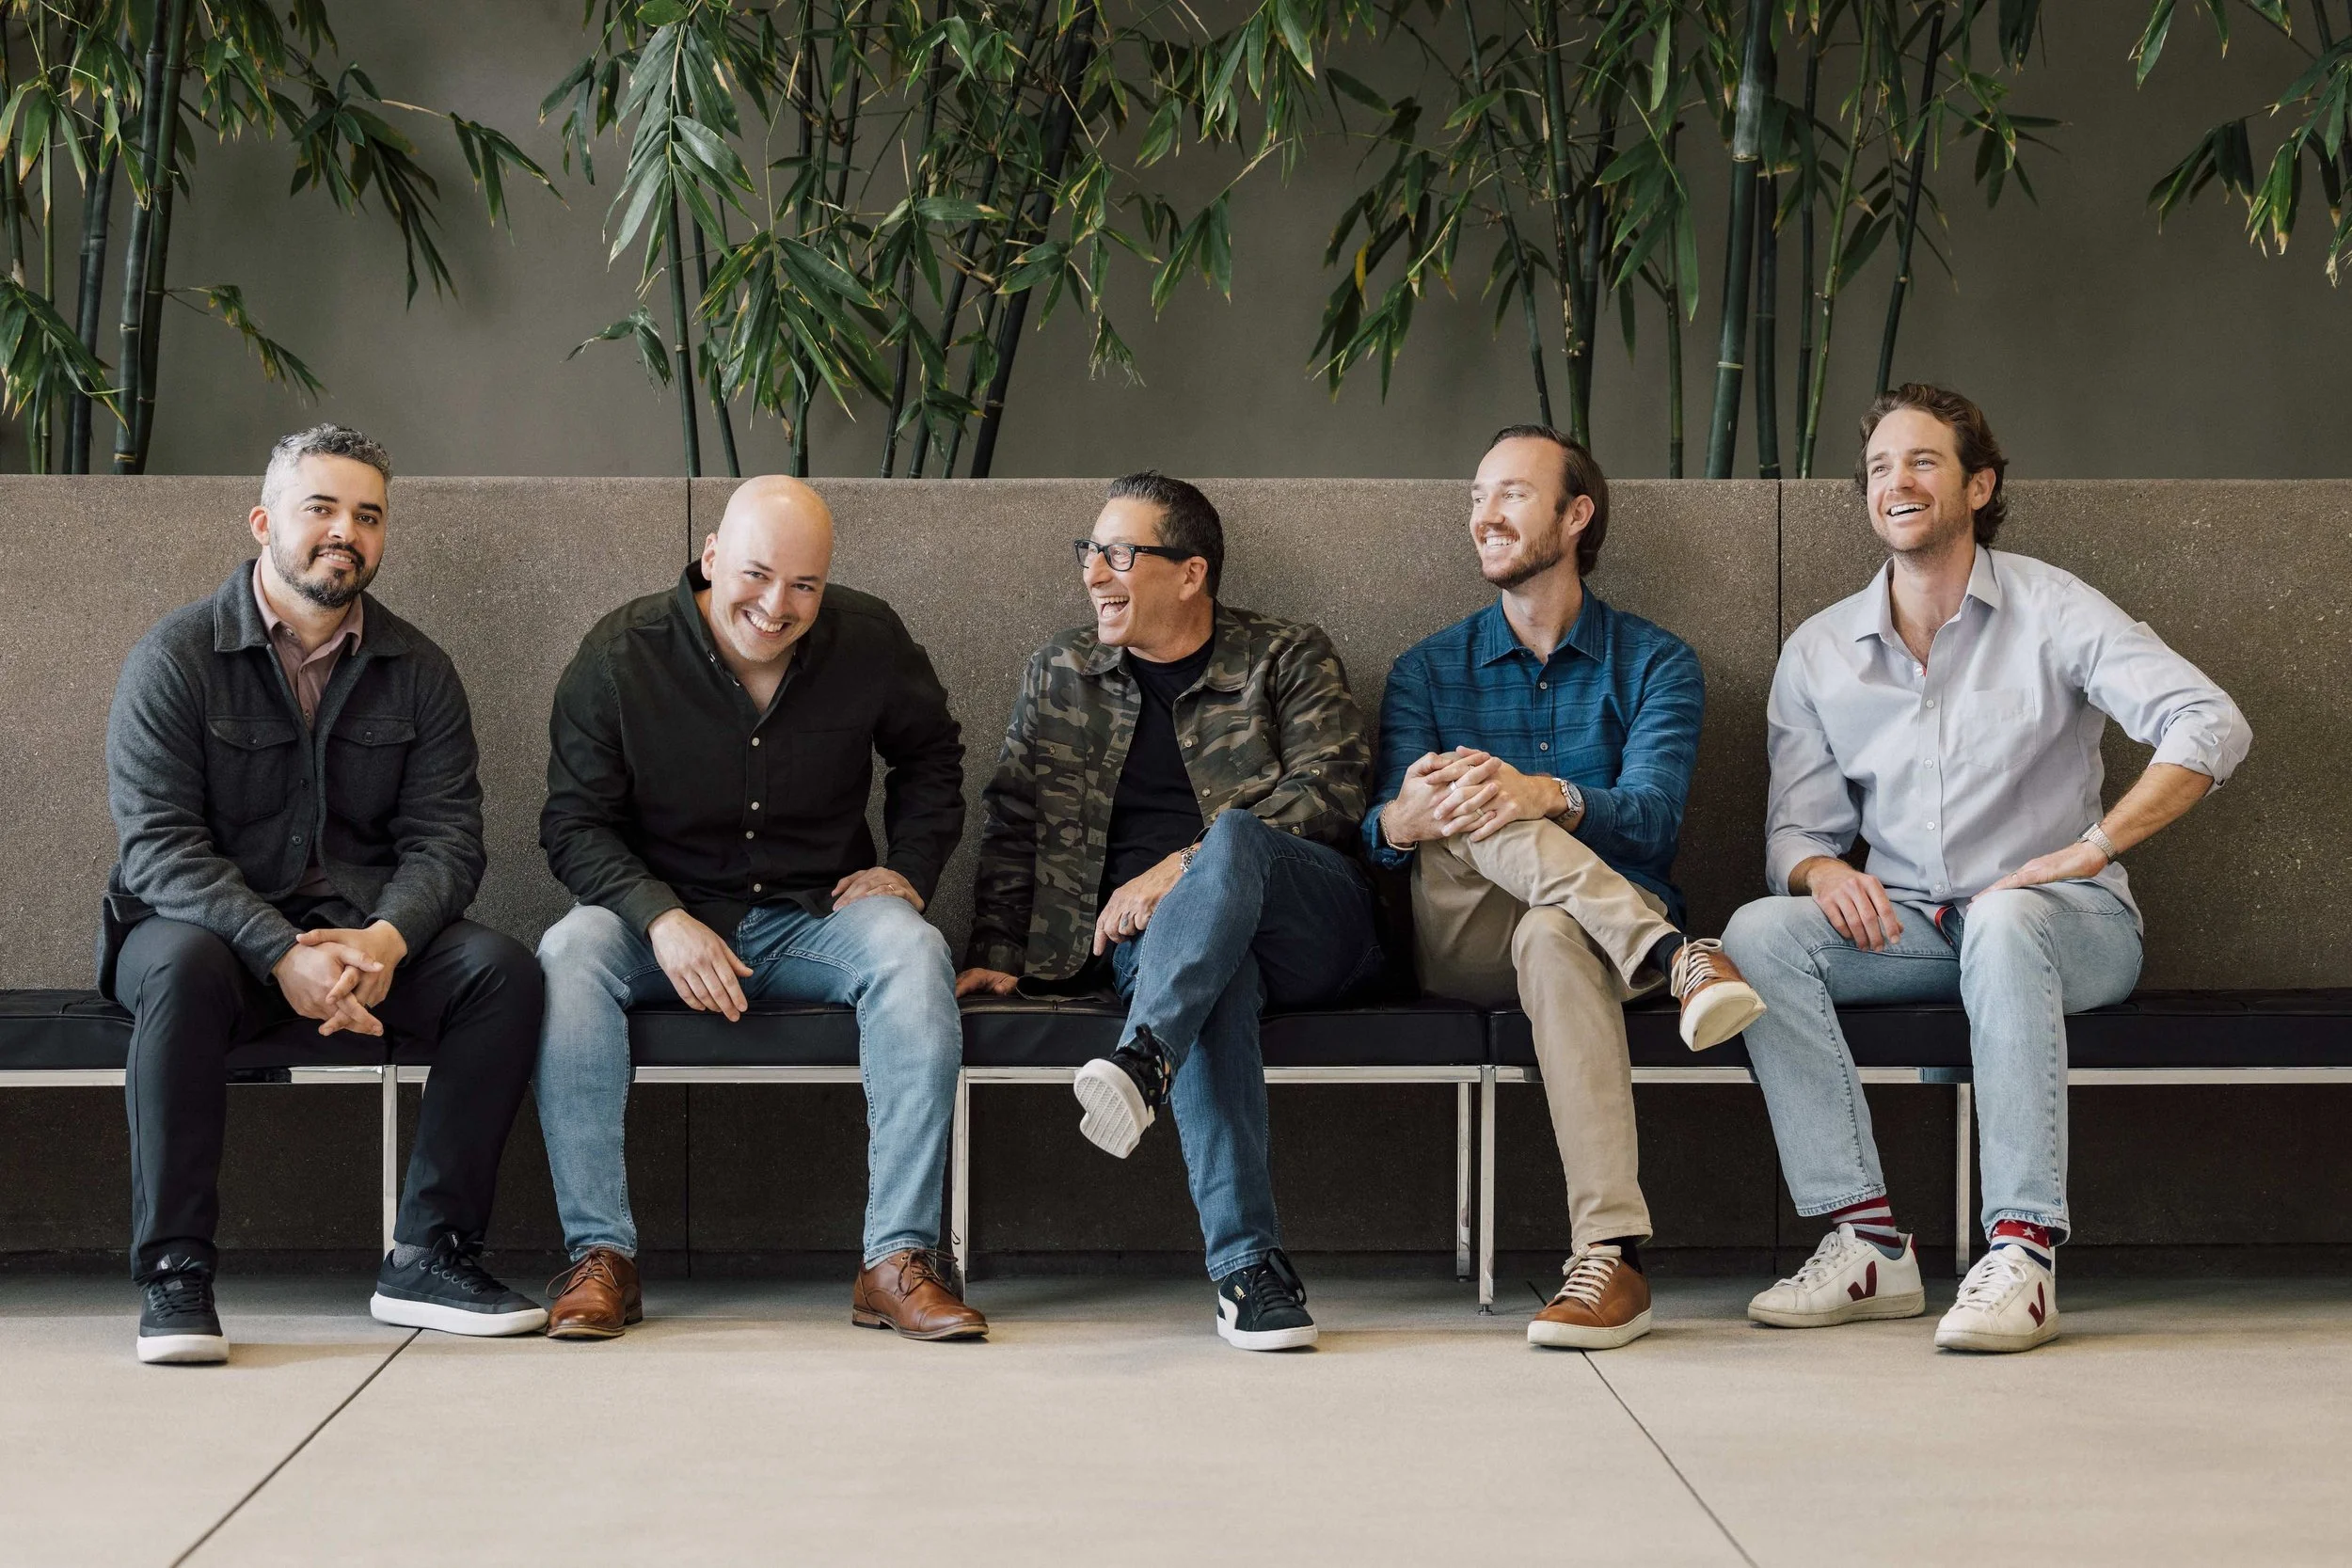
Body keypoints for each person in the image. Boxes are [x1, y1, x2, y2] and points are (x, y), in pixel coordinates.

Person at [1724, 385, 2252, 1353]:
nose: (1897, 481)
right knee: (1757, 935)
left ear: (1979, 485)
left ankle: (2023, 1251)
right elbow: (1795, 831)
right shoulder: (1820, 650)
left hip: (2068, 922)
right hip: (1917, 928)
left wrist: (2096, 846)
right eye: (1879, 467)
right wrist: (1818, 874)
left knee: (2007, 921)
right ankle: (1867, 1241)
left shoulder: (2053, 608)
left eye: (1922, 460)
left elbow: (2210, 721)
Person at [103, 424, 547, 1365]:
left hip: (361, 939)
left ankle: (429, 1253)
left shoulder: (418, 669)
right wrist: (278, 951)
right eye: (322, 508)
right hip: (202, 935)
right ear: (264, 522)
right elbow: (159, 848)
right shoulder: (176, 656)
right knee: (180, 967)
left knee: (500, 972)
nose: (347, 530)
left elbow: (446, 838)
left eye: (368, 515)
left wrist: (385, 940)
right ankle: (176, 1270)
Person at [534, 476, 980, 1341]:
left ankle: (896, 1260)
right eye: (757, 575)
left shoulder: (870, 639)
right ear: (711, 557)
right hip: (660, 922)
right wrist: (660, 917)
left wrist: (910, 870)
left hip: (818, 915)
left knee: (914, 948)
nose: (777, 607)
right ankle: (600, 1257)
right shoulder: (621, 653)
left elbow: (932, 757)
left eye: (804, 585)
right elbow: (572, 823)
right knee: (567, 953)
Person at [957, 473, 1381, 1351]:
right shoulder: (1062, 671)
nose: (1093, 574)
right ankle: (1249, 1274)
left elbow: (1334, 793)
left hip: (1310, 920)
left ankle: (1146, 1052)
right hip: (1155, 949)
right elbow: (1015, 817)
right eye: (1090, 552)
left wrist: (1179, 866)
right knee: (1211, 976)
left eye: (1119, 554)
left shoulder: (1286, 655)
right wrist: (998, 945)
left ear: (1191, 573)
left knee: (1234, 835)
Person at [1368, 425, 1763, 1352]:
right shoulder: (1427, 668)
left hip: (1587, 943)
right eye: (1476, 496)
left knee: (1549, 928)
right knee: (1464, 789)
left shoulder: (1656, 662)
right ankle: (1677, 956)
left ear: (1576, 514)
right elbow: (1377, 838)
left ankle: (1610, 1255)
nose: (1485, 514)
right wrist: (1404, 818)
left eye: (1510, 492)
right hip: (1464, 932)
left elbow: (1654, 821)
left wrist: (1546, 793)